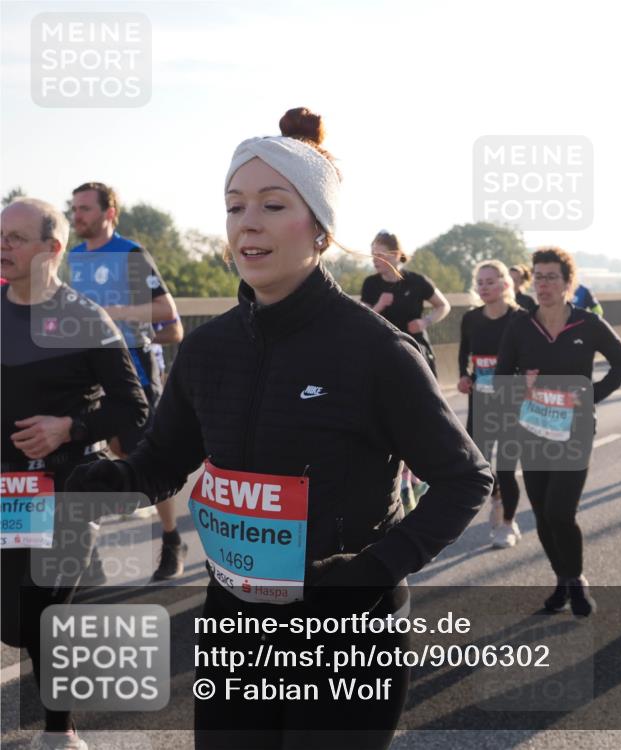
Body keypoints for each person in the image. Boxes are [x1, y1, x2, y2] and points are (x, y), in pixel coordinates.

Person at [65, 107, 493, 749]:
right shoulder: (208, 350)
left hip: (348, 632)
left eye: (272, 204)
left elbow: (465, 479)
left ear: (320, 228)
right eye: (234, 207)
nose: (248, 222)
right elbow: (162, 462)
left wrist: (373, 571)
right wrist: (105, 480)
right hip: (235, 628)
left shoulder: (376, 351)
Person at [2, 198, 149, 750]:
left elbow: (133, 408)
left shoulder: (86, 319)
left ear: (52, 249)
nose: (2, 246)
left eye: (16, 238)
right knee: (14, 623)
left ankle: (59, 733)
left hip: (64, 489)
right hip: (6, 491)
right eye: (0, 235)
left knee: (43, 612)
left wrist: (69, 426)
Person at [495, 247, 621, 615]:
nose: (543, 285)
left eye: (552, 277)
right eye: (538, 278)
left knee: (560, 511)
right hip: (532, 429)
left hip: (575, 430)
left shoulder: (588, 324)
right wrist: (521, 386)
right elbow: (501, 377)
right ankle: (562, 580)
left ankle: (576, 579)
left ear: (568, 282)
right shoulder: (520, 326)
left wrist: (590, 396)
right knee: (542, 513)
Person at [67, 182, 188, 581]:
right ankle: (88, 554)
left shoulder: (130, 254)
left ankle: (171, 539)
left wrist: (113, 312)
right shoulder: (72, 258)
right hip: (84, 372)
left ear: (109, 213)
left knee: (144, 454)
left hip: (130, 367)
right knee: (85, 455)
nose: (77, 215)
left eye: (85, 208)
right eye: (74, 208)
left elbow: (166, 311)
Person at [361, 230, 451, 511]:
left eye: (380, 253)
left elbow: (443, 305)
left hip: (416, 354)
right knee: (388, 417)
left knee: (416, 415)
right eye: (372, 254)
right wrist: (379, 305)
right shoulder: (371, 284)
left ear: (396, 254)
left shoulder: (417, 281)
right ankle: (401, 479)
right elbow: (361, 319)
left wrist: (425, 322)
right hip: (383, 357)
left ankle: (416, 477)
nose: (375, 259)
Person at [457, 260, 522, 548]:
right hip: (481, 399)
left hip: (511, 402)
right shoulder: (471, 318)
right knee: (478, 461)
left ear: (505, 284)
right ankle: (496, 497)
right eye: (480, 282)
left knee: (507, 467)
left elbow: (529, 356)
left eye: (490, 281)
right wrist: (464, 376)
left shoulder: (520, 319)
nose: (484, 287)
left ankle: (508, 524)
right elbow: (464, 353)